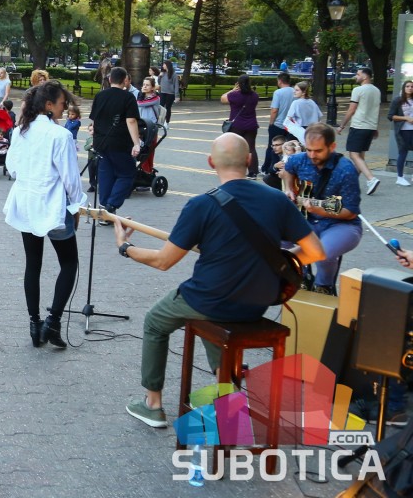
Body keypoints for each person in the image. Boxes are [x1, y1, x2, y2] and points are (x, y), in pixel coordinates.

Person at [116, 134, 325, 427]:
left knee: (156, 321)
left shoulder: (201, 205)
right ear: (249, 160)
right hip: (257, 303)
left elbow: (163, 261)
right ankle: (227, 393)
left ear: (211, 162)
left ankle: (153, 404)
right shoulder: (277, 199)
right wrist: (276, 260)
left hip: (211, 299)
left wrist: (125, 247)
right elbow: (316, 251)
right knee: (213, 314)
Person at [4, 80, 85, 349]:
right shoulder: (60, 135)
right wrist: (76, 206)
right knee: (69, 262)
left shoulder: (21, 131)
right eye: (62, 103)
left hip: (27, 203)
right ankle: (53, 321)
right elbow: (71, 179)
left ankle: (34, 323)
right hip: (52, 205)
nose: (65, 108)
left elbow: (12, 167)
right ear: (49, 105)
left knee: (33, 264)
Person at [281, 123, 363, 294]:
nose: (312, 155)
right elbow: (288, 168)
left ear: (332, 147)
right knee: (280, 237)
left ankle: (324, 285)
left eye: (318, 151)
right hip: (308, 219)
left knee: (323, 252)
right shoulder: (300, 159)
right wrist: (289, 188)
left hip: (340, 224)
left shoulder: (346, 169)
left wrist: (320, 210)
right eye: (309, 150)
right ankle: (301, 276)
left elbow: (350, 212)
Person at [88, 67, 142, 223]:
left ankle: (104, 210)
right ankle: (111, 206)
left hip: (101, 142)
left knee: (105, 175)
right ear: (125, 80)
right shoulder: (128, 97)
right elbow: (131, 120)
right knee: (127, 173)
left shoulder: (100, 96)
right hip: (120, 142)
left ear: (110, 79)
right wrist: (136, 143)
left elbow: (94, 120)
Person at [338, 67, 382, 195]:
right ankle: (351, 185)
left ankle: (371, 179)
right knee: (360, 157)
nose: (356, 77)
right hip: (370, 127)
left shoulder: (358, 90)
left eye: (358, 74)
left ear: (365, 76)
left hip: (359, 126)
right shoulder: (377, 91)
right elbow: (377, 110)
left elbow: (352, 109)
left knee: (354, 155)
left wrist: (342, 125)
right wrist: (375, 127)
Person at [221, 74, 260, 178]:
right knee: (251, 148)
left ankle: (234, 170)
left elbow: (223, 99)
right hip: (251, 125)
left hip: (237, 125)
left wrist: (232, 90)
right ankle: (253, 172)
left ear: (238, 84)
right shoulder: (255, 95)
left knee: (234, 148)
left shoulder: (235, 95)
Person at [261, 72, 295, 176]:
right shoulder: (295, 92)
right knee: (288, 147)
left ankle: (267, 168)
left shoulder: (278, 92)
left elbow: (274, 110)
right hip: (291, 125)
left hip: (279, 124)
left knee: (273, 147)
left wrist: (271, 123)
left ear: (280, 81)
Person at [388, 80, 413, 187]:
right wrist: (405, 118)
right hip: (403, 131)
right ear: (404, 88)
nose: (410, 88)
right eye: (407, 86)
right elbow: (390, 116)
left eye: (412, 86)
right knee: (403, 152)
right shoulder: (397, 100)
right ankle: (400, 177)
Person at [158, 61, 178, 126]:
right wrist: (159, 76)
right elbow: (159, 82)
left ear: (167, 65)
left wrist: (177, 95)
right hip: (162, 92)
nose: (163, 66)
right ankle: (161, 122)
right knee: (161, 107)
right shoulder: (162, 73)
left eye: (164, 64)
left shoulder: (173, 74)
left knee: (168, 108)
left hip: (170, 93)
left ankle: (167, 122)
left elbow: (176, 85)